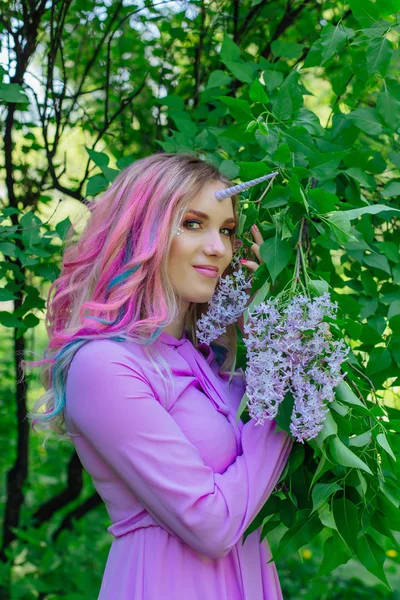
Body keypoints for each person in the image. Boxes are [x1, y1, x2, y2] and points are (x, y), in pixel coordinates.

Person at [29, 153, 292, 599]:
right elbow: (211, 525)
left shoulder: (210, 362)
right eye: (193, 223)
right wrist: (291, 383)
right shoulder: (105, 366)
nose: (219, 248)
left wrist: (276, 334)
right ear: (141, 232)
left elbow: (265, 480)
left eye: (227, 231)